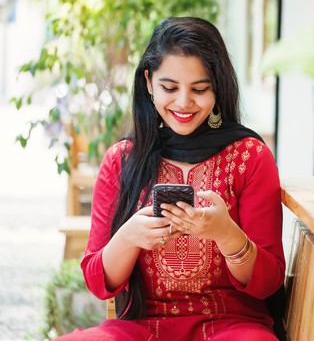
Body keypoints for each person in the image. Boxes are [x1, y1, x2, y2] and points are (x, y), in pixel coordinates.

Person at [58, 17, 285, 340]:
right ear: (149, 83)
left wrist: (227, 235)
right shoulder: (122, 160)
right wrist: (129, 237)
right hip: (139, 328)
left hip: (231, 325)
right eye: (169, 87)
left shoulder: (249, 157)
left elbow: (269, 282)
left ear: (217, 87)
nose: (183, 102)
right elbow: (98, 284)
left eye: (200, 89)